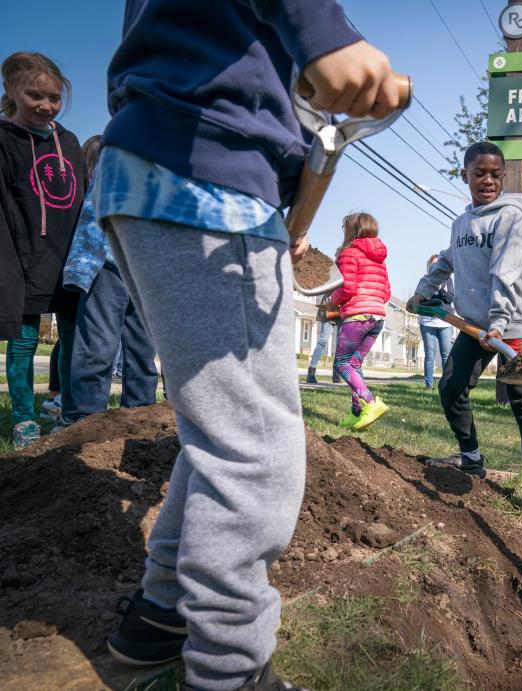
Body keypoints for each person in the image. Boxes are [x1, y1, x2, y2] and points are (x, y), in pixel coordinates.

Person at [98, 2, 402, 689]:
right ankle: (231, 671)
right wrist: (326, 32)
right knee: (256, 449)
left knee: (223, 431)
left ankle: (161, 617)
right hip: (204, 176)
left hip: (161, 166)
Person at [407, 141, 522, 508]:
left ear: (503, 176)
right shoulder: (461, 223)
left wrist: (499, 323)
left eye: (495, 174)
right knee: (452, 386)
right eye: (479, 174)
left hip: (513, 321)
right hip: (475, 322)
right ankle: (471, 457)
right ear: (465, 176)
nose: (487, 181)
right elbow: (447, 261)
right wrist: (424, 292)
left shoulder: (511, 219)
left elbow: (505, 272)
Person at [0, 52, 86, 449]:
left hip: (69, 262)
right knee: (23, 343)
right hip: (21, 260)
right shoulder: (3, 140)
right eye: (35, 95)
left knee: (72, 340)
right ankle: (23, 420)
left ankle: (67, 411)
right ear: (10, 90)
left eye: (53, 97)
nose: (46, 105)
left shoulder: (67, 141)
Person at [57, 135, 159, 428]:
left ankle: (139, 419)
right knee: (97, 350)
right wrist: (82, 266)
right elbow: (95, 209)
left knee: (143, 352)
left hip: (147, 273)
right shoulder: (121, 153)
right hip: (109, 264)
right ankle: (83, 422)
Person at [329, 212, 391, 429]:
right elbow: (387, 292)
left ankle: (370, 401)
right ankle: (357, 412)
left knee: (341, 364)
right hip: (377, 316)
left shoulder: (349, 253)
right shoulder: (379, 259)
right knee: (354, 364)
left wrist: (332, 301)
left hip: (357, 317)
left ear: (351, 231)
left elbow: (347, 288)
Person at [418, 254, 454, 389]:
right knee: (430, 354)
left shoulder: (448, 280)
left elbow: (451, 298)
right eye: (433, 265)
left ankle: (446, 386)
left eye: (438, 264)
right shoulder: (424, 279)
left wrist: (444, 291)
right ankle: (429, 385)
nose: (436, 267)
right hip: (427, 321)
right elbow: (419, 298)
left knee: (446, 354)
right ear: (429, 267)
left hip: (444, 322)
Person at [305, 299, 333, 384]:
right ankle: (311, 372)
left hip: (343, 310)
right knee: (322, 341)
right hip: (329, 308)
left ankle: (336, 374)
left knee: (341, 343)